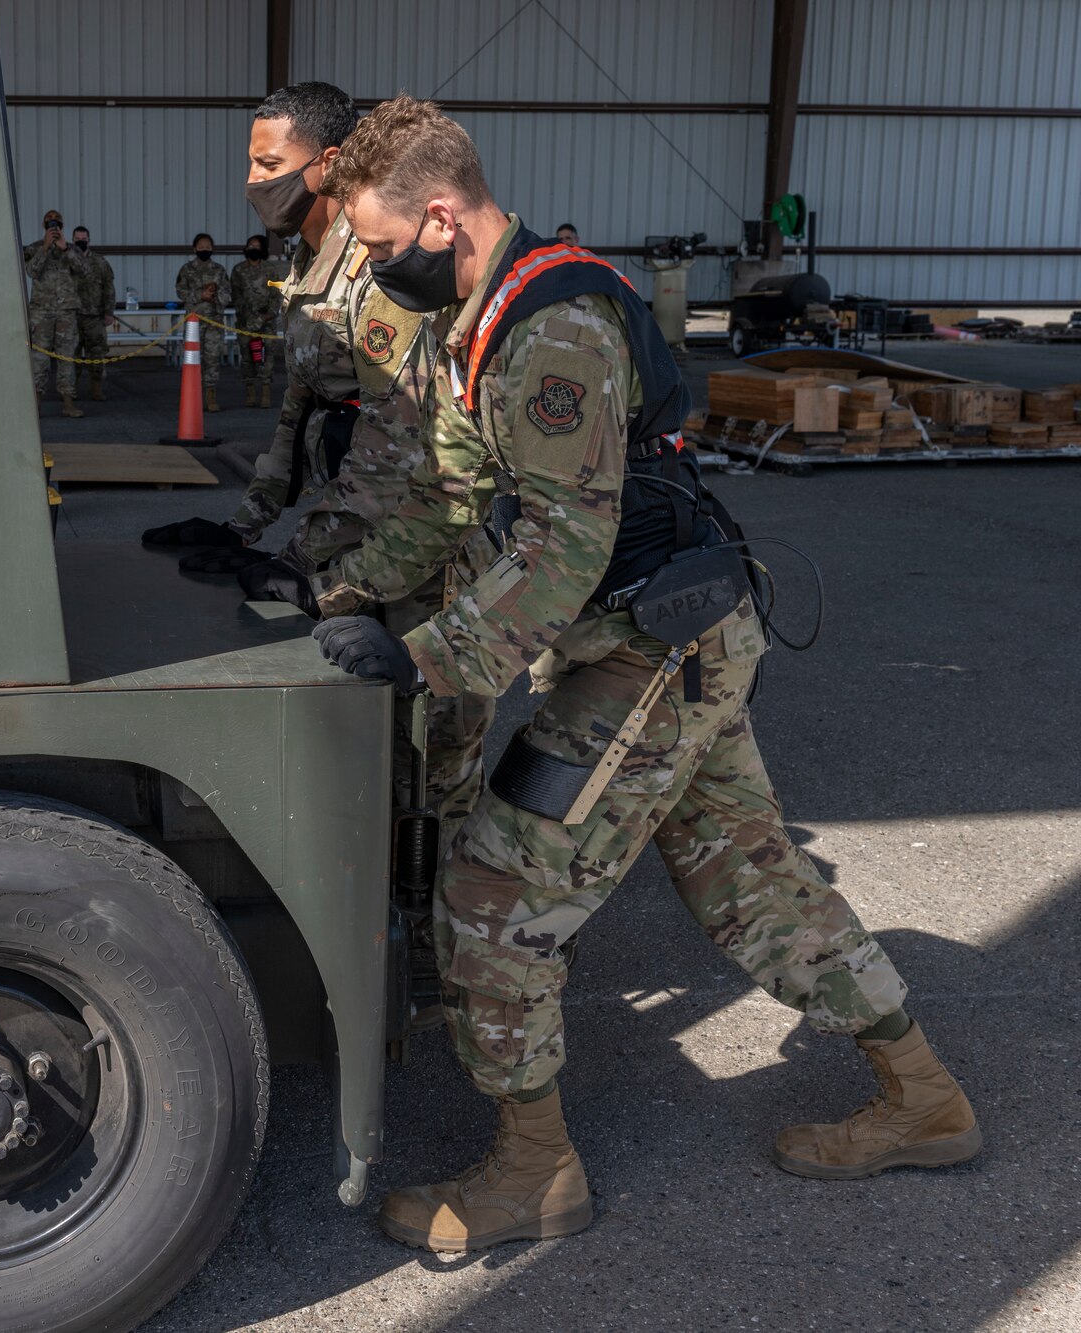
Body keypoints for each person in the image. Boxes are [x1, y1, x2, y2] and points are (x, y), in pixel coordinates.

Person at [312, 94, 980, 1254]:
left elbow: (561, 547)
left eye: (374, 246)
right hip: (664, 638)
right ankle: (922, 1098)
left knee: (488, 904)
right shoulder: (480, 320)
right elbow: (454, 498)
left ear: (437, 215)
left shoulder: (549, 330)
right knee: (750, 881)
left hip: (648, 651)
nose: (368, 268)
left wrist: (421, 659)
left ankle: (533, 1173)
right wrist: (344, 591)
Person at [145, 80, 498, 881]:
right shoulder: (309, 263)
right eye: (250, 161)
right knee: (366, 739)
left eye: (270, 162)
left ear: (328, 163)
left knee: (434, 757)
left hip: (421, 539)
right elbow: (302, 407)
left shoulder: (383, 267)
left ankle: (461, 942)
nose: (252, 180)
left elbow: (398, 437)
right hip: (354, 530)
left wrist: (301, 560)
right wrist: (246, 523)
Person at [23, 209, 83, 418]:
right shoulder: (35, 248)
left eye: (56, 222)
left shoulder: (72, 249)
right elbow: (31, 271)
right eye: (49, 222)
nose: (53, 225)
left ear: (62, 226)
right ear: (44, 226)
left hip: (66, 311)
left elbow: (83, 270)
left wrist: (65, 248)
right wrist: (46, 247)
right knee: (40, 357)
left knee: (67, 357)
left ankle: (68, 403)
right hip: (42, 311)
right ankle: (35, 403)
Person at [173, 233, 229, 412]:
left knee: (212, 358)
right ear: (194, 249)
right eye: (201, 246)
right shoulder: (187, 269)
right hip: (193, 324)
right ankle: (193, 396)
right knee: (193, 360)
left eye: (208, 246)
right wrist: (199, 295)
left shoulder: (219, 270)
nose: (205, 249)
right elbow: (180, 292)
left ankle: (210, 397)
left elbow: (227, 294)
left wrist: (213, 297)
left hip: (214, 321)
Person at [229, 233, 280, 408]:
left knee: (267, 356)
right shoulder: (238, 270)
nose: (253, 249)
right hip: (245, 322)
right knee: (246, 356)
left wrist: (268, 315)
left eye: (256, 246)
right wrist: (246, 316)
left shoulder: (270, 270)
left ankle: (265, 392)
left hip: (267, 321)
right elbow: (235, 295)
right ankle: (250, 392)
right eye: (250, 245)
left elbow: (276, 296)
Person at [69, 225, 115, 403]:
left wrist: (109, 312)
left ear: (89, 239)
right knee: (71, 355)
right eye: (78, 238)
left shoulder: (100, 262)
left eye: (84, 238)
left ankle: (96, 389)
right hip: (71, 315)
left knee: (96, 354)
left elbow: (109, 288)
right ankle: (70, 390)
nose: (81, 241)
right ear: (72, 240)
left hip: (94, 316)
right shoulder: (67, 260)